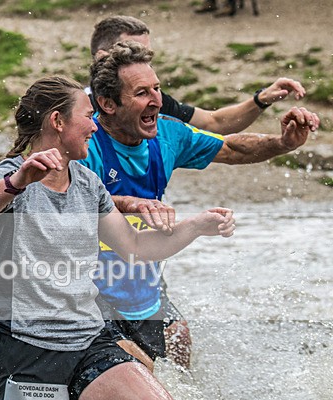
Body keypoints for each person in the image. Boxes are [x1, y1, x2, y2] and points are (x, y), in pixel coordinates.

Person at [0, 76, 236, 400]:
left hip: (87, 337)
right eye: (87, 116)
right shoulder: (10, 172)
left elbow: (135, 247)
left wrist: (195, 227)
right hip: (24, 349)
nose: (94, 126)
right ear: (58, 121)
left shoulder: (88, 183)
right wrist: (19, 181)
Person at [82, 41, 318, 367]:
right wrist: (127, 203)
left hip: (140, 279)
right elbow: (64, 197)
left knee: (179, 340)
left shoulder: (169, 134)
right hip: (86, 293)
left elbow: (232, 148)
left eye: (158, 88)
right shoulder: (84, 143)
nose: (157, 100)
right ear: (108, 103)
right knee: (142, 371)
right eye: (142, 93)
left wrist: (282, 144)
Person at [90, 15, 300, 134]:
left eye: (147, 55)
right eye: (133, 51)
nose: (144, 62)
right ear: (102, 56)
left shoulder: (156, 104)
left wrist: (261, 99)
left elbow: (214, 123)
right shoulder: (71, 105)